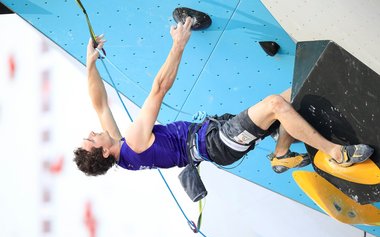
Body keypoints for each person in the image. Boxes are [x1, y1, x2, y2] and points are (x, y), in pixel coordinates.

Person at [74, 17, 374, 176]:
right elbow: (158, 89)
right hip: (216, 143)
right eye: (91, 139)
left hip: (215, 136)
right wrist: (178, 44)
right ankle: (336, 152)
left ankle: (281, 154)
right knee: (275, 104)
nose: (91, 132)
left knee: (295, 92)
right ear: (102, 152)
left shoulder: (122, 153)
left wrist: (90, 64)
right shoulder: (135, 144)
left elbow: (99, 105)